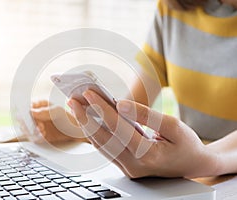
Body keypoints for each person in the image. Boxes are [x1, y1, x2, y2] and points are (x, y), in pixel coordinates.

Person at [30, 0, 237, 178]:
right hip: (185, 175)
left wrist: (205, 160)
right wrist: (77, 126)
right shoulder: (173, 10)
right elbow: (129, 111)